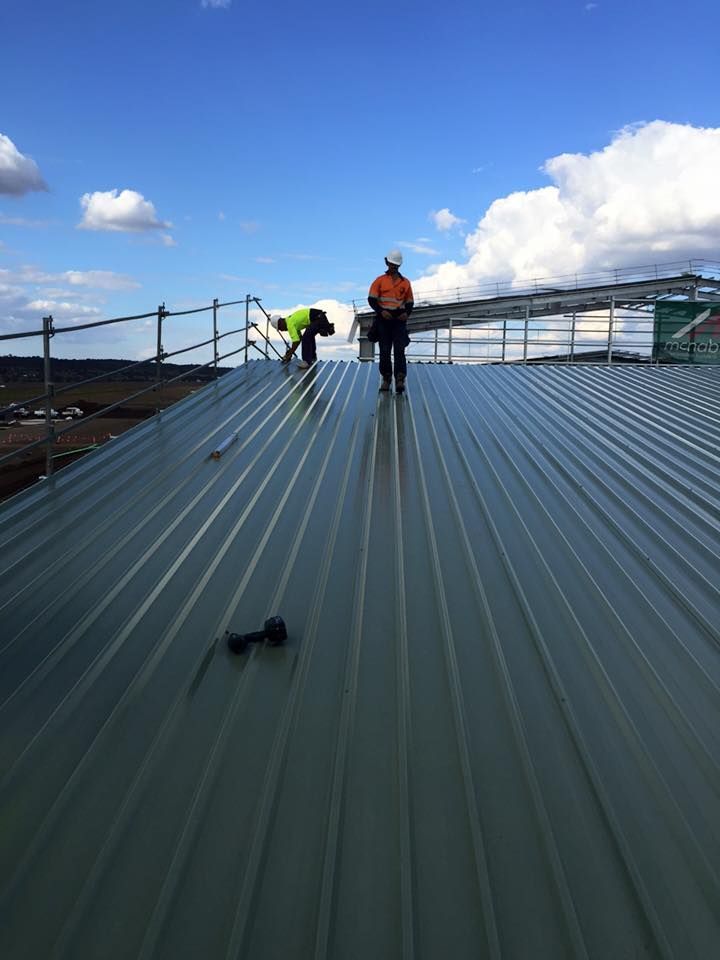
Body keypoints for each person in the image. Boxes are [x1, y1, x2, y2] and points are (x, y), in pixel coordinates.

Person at [368, 249, 414, 393]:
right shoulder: (379, 281)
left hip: (399, 320)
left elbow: (410, 302)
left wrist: (406, 313)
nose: (394, 267)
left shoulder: (405, 282)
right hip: (384, 319)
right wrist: (381, 311)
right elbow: (372, 299)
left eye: (396, 265)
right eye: (392, 264)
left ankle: (400, 379)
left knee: (400, 350)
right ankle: (386, 378)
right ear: (387, 262)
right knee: (385, 350)